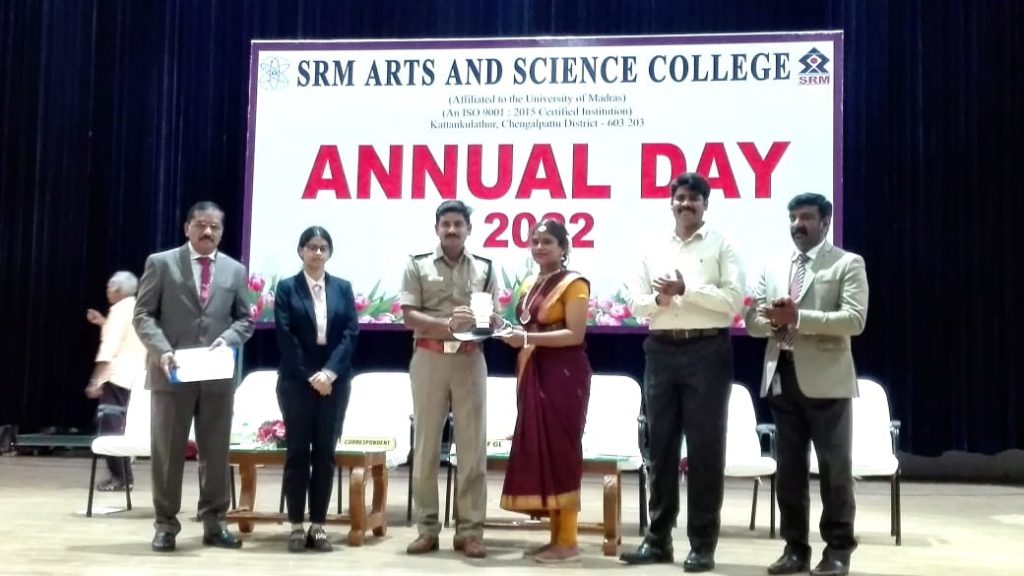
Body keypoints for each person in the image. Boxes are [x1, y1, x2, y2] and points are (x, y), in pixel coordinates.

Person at [622, 172, 744, 573]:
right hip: (660, 350)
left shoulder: (722, 244)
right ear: (670, 203)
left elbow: (732, 302)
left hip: (707, 350)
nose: (685, 204)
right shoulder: (651, 247)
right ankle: (657, 540)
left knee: (705, 451)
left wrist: (685, 290)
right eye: (679, 197)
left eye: (693, 198)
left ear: (705, 204)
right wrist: (661, 299)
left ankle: (702, 544)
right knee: (660, 449)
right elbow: (635, 304)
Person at [745, 193, 868, 576]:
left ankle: (838, 551)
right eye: (793, 218)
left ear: (825, 222)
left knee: (834, 470)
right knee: (789, 472)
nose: (798, 225)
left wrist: (798, 318)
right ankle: (794, 549)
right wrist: (772, 321)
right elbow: (753, 323)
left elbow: (854, 320)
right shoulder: (774, 265)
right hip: (782, 376)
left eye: (807, 218)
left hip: (827, 381)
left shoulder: (847, 263)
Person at [133, 201, 254, 552]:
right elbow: (143, 315)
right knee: (168, 454)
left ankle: (215, 523)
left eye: (215, 227)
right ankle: (165, 525)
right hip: (171, 373)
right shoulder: (161, 263)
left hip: (216, 377)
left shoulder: (235, 270)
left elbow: (245, 319)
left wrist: (228, 338)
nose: (208, 232)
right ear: (187, 227)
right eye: (201, 224)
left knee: (215, 453)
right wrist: (162, 349)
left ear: (222, 231)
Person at [400, 200, 497, 559]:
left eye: (458, 224)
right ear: (437, 228)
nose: (452, 230)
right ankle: (427, 529)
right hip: (429, 357)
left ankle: (470, 532)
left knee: (472, 448)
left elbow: (491, 316)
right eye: (446, 224)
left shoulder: (485, 267)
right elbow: (409, 315)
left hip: (471, 359)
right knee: (426, 446)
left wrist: (489, 322)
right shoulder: (417, 264)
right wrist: (447, 325)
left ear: (468, 229)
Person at [496, 219, 592, 564]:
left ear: (563, 248)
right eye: (535, 241)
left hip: (563, 374)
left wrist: (525, 338)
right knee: (542, 451)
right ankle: (555, 538)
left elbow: (575, 334)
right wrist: (497, 326)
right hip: (532, 370)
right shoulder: (529, 282)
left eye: (547, 241)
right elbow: (525, 325)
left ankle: (568, 541)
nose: (539, 247)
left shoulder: (574, 283)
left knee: (562, 452)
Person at [274, 226, 359, 552]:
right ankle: (296, 525)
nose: (317, 253)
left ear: (330, 253)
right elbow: (286, 337)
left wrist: (329, 373)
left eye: (323, 248)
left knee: (325, 453)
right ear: (301, 251)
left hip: (335, 383)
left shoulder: (342, 288)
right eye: (311, 247)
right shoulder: (287, 288)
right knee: (297, 452)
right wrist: (312, 375)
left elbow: (350, 334)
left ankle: (318, 525)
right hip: (296, 382)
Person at [85, 270, 147, 491]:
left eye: (109, 288)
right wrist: (104, 323)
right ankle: (123, 476)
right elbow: (129, 337)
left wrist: (94, 381)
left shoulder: (118, 310)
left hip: (117, 376)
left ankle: (121, 478)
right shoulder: (138, 308)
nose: (107, 291)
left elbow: (109, 349)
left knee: (109, 428)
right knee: (120, 426)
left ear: (117, 290)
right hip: (136, 376)